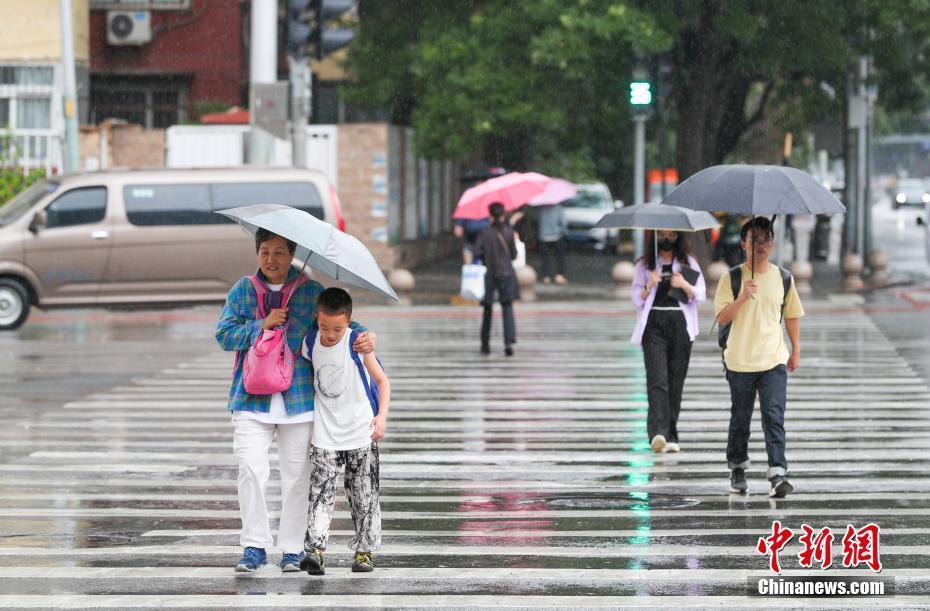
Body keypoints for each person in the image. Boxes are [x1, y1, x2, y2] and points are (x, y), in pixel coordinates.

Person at [215, 228, 376, 573]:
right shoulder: (243, 290)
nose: (271, 260)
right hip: (249, 399)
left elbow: (338, 325)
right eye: (264, 253)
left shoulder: (309, 291)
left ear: (292, 256)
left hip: (298, 399)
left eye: (279, 253)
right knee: (250, 470)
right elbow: (223, 335)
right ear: (257, 253)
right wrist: (262, 324)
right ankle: (254, 546)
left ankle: (291, 548)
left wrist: (364, 336)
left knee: (297, 477)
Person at [300, 288, 390, 575]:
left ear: (349, 322)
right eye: (325, 326)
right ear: (317, 319)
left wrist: (381, 417)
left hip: (360, 433)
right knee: (320, 492)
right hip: (325, 433)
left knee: (363, 493)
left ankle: (364, 552)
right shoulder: (310, 341)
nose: (330, 334)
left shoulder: (356, 342)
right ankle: (315, 550)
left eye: (337, 328)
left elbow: (383, 382)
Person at [714, 217, 804, 498]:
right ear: (743, 244)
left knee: (773, 416)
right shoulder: (732, 278)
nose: (761, 245)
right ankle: (737, 467)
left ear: (773, 243)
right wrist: (742, 297)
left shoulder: (783, 278)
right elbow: (722, 317)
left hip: (773, 360)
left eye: (766, 239)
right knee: (740, 418)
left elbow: (791, 314)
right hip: (739, 360)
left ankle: (778, 472)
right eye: (754, 239)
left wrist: (795, 348)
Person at [631, 230, 706, 454]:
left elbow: (700, 294)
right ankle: (657, 432)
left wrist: (683, 284)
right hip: (654, 325)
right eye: (661, 235)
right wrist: (649, 285)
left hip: (680, 326)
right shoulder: (645, 265)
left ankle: (671, 432)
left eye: (671, 234)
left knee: (675, 380)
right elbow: (635, 297)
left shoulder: (687, 263)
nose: (666, 239)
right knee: (657, 379)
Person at [475, 202, 520, 356]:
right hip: (506, 274)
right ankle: (508, 342)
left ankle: (485, 344)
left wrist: (485, 257)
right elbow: (514, 255)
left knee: (487, 309)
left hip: (491, 274)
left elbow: (477, 252)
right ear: (503, 214)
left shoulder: (485, 232)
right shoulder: (509, 232)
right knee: (507, 308)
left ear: (490, 215)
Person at [537, 203, 568, 285]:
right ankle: (559, 275)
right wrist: (564, 231)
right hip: (556, 236)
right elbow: (564, 222)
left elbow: (538, 221)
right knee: (559, 257)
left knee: (545, 258)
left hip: (543, 236)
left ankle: (546, 276)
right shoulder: (558, 208)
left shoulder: (541, 208)